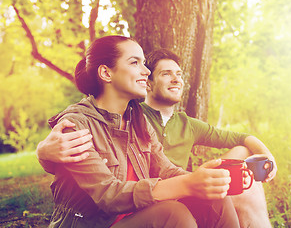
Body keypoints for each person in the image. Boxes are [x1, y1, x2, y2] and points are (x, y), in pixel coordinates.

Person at [37, 48, 277, 227]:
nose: (145, 71)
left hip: (145, 206)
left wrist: (207, 181)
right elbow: (107, 195)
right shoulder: (77, 123)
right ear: (106, 73)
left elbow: (166, 168)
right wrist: (44, 154)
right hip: (100, 221)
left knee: (217, 200)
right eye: (136, 63)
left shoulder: (136, 118)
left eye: (145, 64)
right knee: (174, 214)